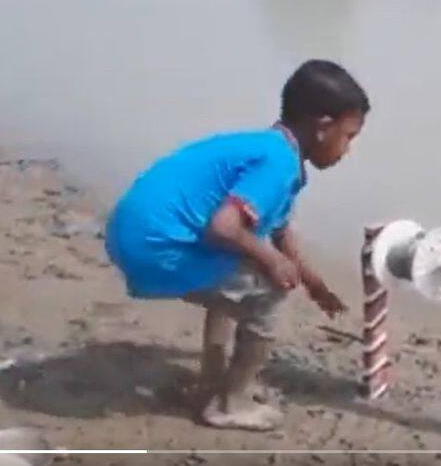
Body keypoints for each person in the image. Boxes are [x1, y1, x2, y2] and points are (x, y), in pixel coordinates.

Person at [104, 59, 370, 431]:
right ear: (324, 128)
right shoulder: (278, 165)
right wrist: (276, 266)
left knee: (242, 272)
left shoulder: (270, 149)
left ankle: (211, 388)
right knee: (269, 289)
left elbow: (279, 234)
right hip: (157, 247)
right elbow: (223, 228)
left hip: (131, 234)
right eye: (349, 137)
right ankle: (231, 402)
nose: (348, 150)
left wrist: (316, 285)